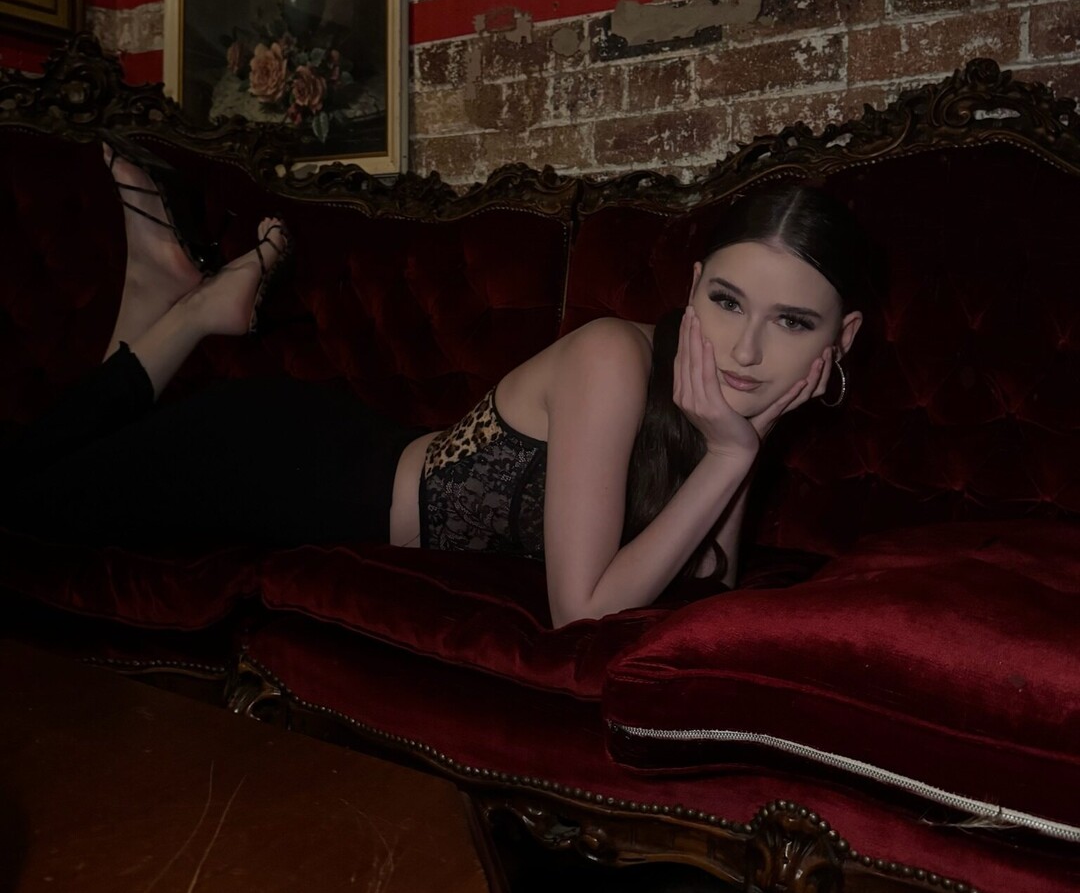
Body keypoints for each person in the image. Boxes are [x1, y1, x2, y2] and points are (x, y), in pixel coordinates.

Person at [1, 140, 871, 628]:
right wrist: (731, 457)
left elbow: (709, 583)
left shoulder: (725, 405)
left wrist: (739, 443)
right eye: (726, 301)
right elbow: (581, 615)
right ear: (693, 286)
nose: (745, 348)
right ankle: (184, 309)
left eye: (794, 323)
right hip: (274, 461)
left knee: (46, 482)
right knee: (16, 508)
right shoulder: (612, 357)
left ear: (843, 339)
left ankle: (168, 301)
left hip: (348, 448)